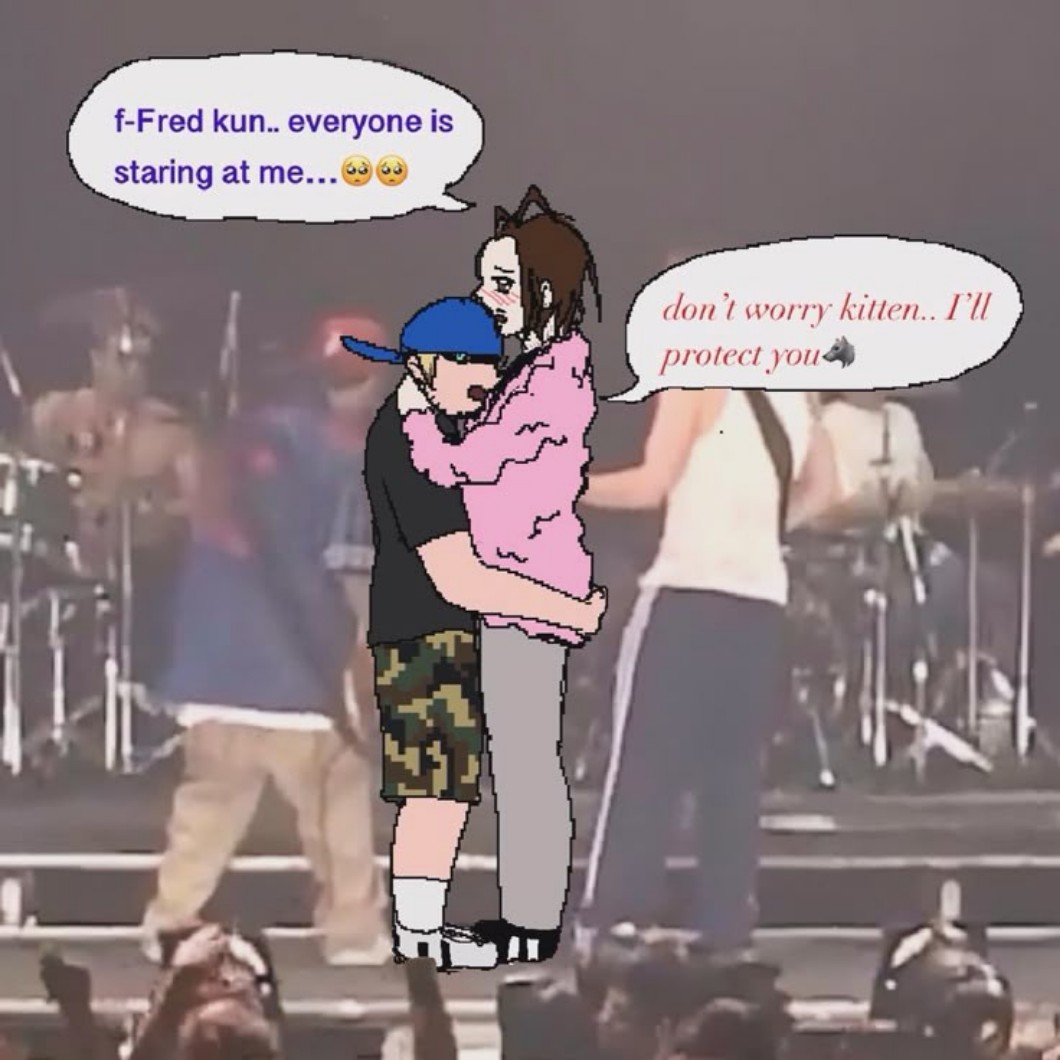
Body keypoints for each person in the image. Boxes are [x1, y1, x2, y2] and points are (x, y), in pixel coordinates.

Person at [342, 295, 606, 970]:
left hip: (436, 630)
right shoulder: (411, 446)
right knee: (433, 791)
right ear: (430, 365)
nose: (485, 386)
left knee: (442, 791)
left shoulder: (426, 429)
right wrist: (564, 610)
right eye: (473, 370)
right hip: (424, 632)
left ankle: (421, 930)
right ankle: (417, 934)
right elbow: (460, 576)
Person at [141, 313, 391, 967]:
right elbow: (350, 569)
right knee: (336, 808)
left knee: (207, 810)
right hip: (299, 675)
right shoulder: (351, 459)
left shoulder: (235, 442)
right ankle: (353, 932)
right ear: (374, 383)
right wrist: (361, 659)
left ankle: (169, 920)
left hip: (214, 668)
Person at [400, 185, 601, 964]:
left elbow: (464, 463)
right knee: (519, 758)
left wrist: (418, 412)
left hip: (527, 589)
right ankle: (528, 918)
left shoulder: (550, 380)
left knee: (524, 763)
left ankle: (531, 922)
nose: (488, 297)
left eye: (505, 284)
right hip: (520, 585)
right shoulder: (538, 373)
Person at [577, 387, 836, 948]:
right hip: (760, 599)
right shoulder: (798, 390)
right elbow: (827, 486)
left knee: (646, 763)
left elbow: (650, 485)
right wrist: (761, 528)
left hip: (687, 592)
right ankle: (726, 926)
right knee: (734, 773)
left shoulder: (695, 379)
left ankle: (618, 919)